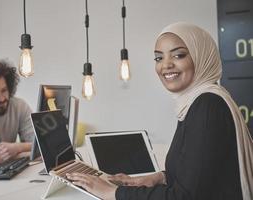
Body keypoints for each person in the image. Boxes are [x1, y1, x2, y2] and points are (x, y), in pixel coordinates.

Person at [67, 22, 253, 200]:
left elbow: (185, 197)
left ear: (201, 56)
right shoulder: (197, 102)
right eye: (159, 58)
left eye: (178, 55)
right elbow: (200, 174)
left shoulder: (207, 106)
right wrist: (158, 178)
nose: (166, 65)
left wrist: (113, 193)